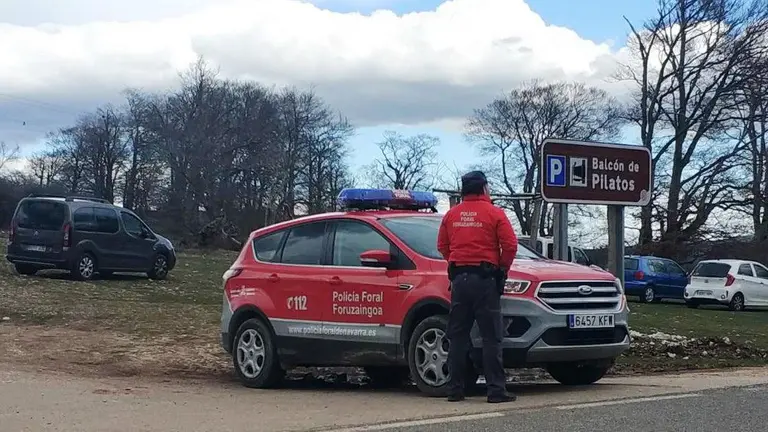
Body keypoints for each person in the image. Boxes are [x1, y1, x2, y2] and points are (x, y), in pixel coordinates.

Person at [437, 170, 518, 403]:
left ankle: (455, 389)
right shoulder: (494, 213)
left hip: (459, 280)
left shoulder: (451, 215)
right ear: (484, 188)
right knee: (491, 336)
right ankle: (495, 390)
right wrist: (502, 268)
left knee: (458, 336)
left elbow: (442, 245)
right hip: (485, 280)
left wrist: (457, 262)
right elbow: (510, 245)